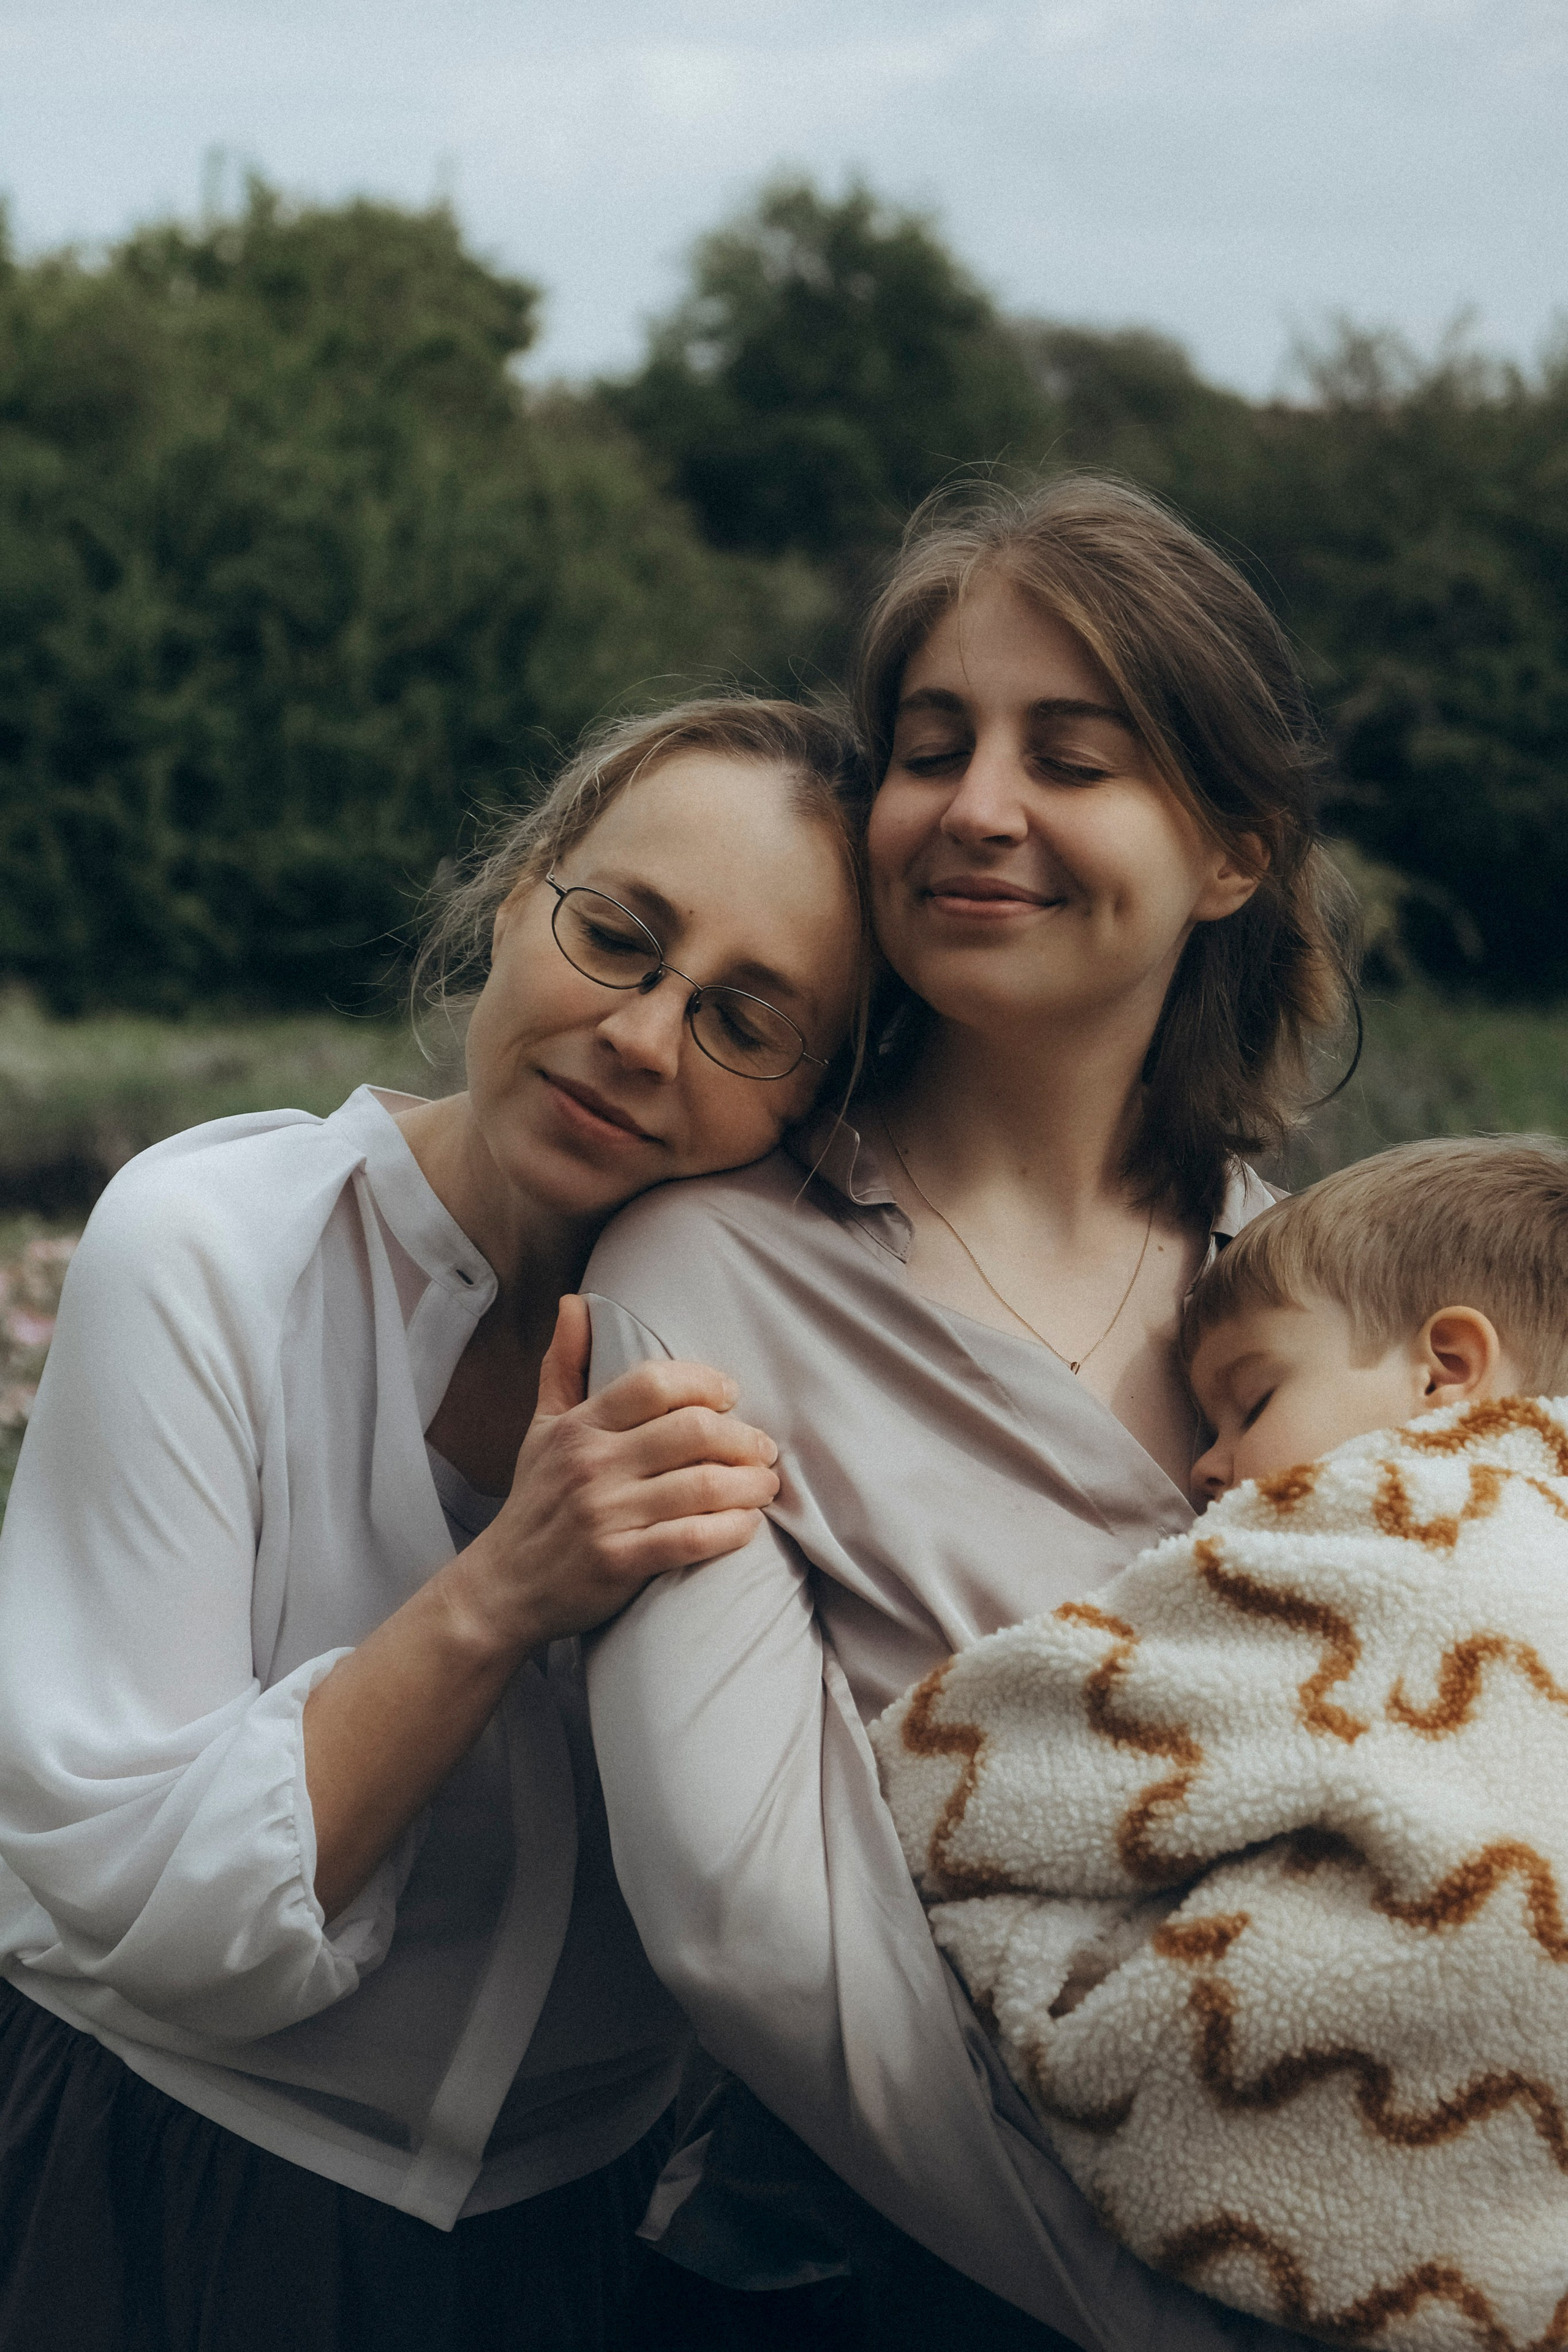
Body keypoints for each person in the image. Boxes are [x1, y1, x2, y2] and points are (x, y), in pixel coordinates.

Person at [581, 474, 1359, 2348]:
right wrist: (1149, 2308)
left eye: (1070, 757)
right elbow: (754, 1931)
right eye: (933, 747)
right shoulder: (701, 1276)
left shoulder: (1319, 1298)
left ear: (1233, 852)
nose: (977, 808)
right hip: (861, 2279)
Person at [0, 696, 870, 2352]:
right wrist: (505, 1590)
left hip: (598, 2252)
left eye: (748, 1021)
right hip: (159, 2196)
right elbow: (144, 1908)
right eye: (619, 936)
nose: (641, 1034)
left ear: (817, 1101)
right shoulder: (208, 1246)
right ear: (514, 894)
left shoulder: (792, 1357)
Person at [872, 1134, 1568, 2343]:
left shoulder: (1358, 1546)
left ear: (1442, 1373)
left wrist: (889, 1760)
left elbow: (972, 1770)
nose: (1203, 1468)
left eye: (1250, 1400)